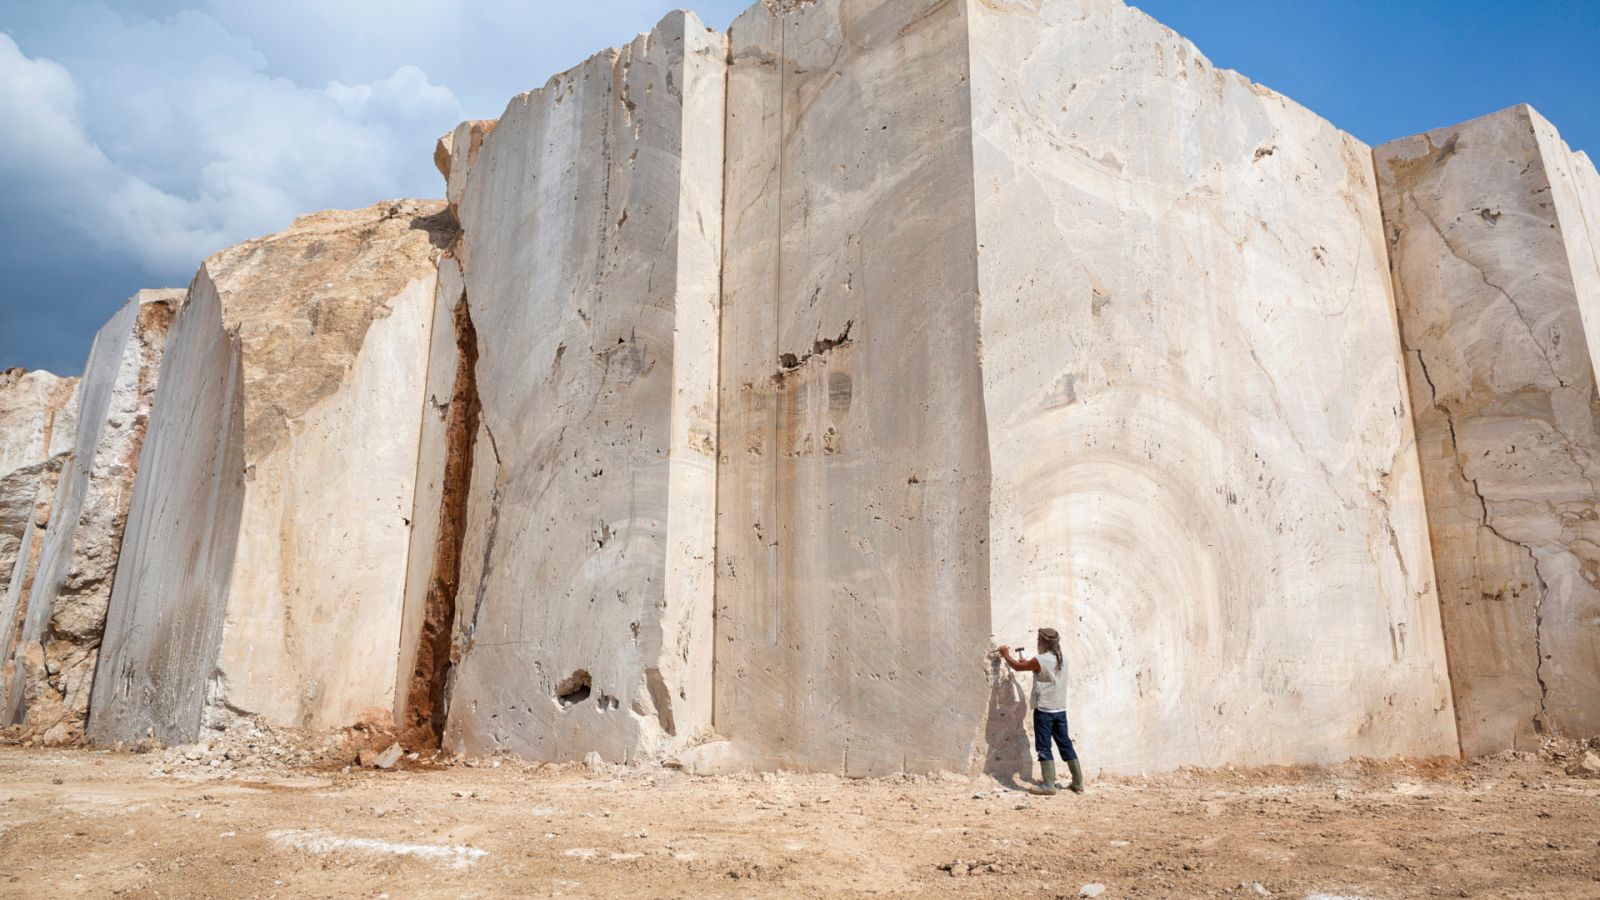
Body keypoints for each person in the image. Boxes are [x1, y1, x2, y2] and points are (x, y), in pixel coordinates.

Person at [999, 627, 1084, 795]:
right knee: (1065, 744)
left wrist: (1005, 654)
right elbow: (1039, 668)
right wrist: (1028, 664)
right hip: (1060, 710)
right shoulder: (1063, 659)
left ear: (1043, 642)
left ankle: (1048, 785)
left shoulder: (1040, 660)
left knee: (1044, 747)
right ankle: (1078, 783)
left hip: (1044, 711)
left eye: (1038, 640)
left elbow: (1017, 666)